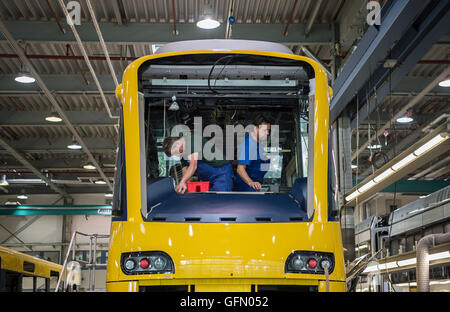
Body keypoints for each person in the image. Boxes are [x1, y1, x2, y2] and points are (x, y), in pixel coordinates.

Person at [162, 134, 234, 194]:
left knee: (221, 202)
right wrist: (185, 185)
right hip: (207, 180)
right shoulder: (182, 152)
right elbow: (185, 170)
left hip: (221, 174)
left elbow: (193, 166)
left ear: (177, 144)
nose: (177, 155)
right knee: (211, 203)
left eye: (176, 152)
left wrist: (182, 182)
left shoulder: (191, 141)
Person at [235, 115, 271, 192]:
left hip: (256, 187)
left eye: (268, 130)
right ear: (255, 129)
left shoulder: (258, 144)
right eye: (265, 130)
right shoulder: (248, 145)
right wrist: (251, 183)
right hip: (247, 190)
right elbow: (240, 169)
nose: (267, 133)